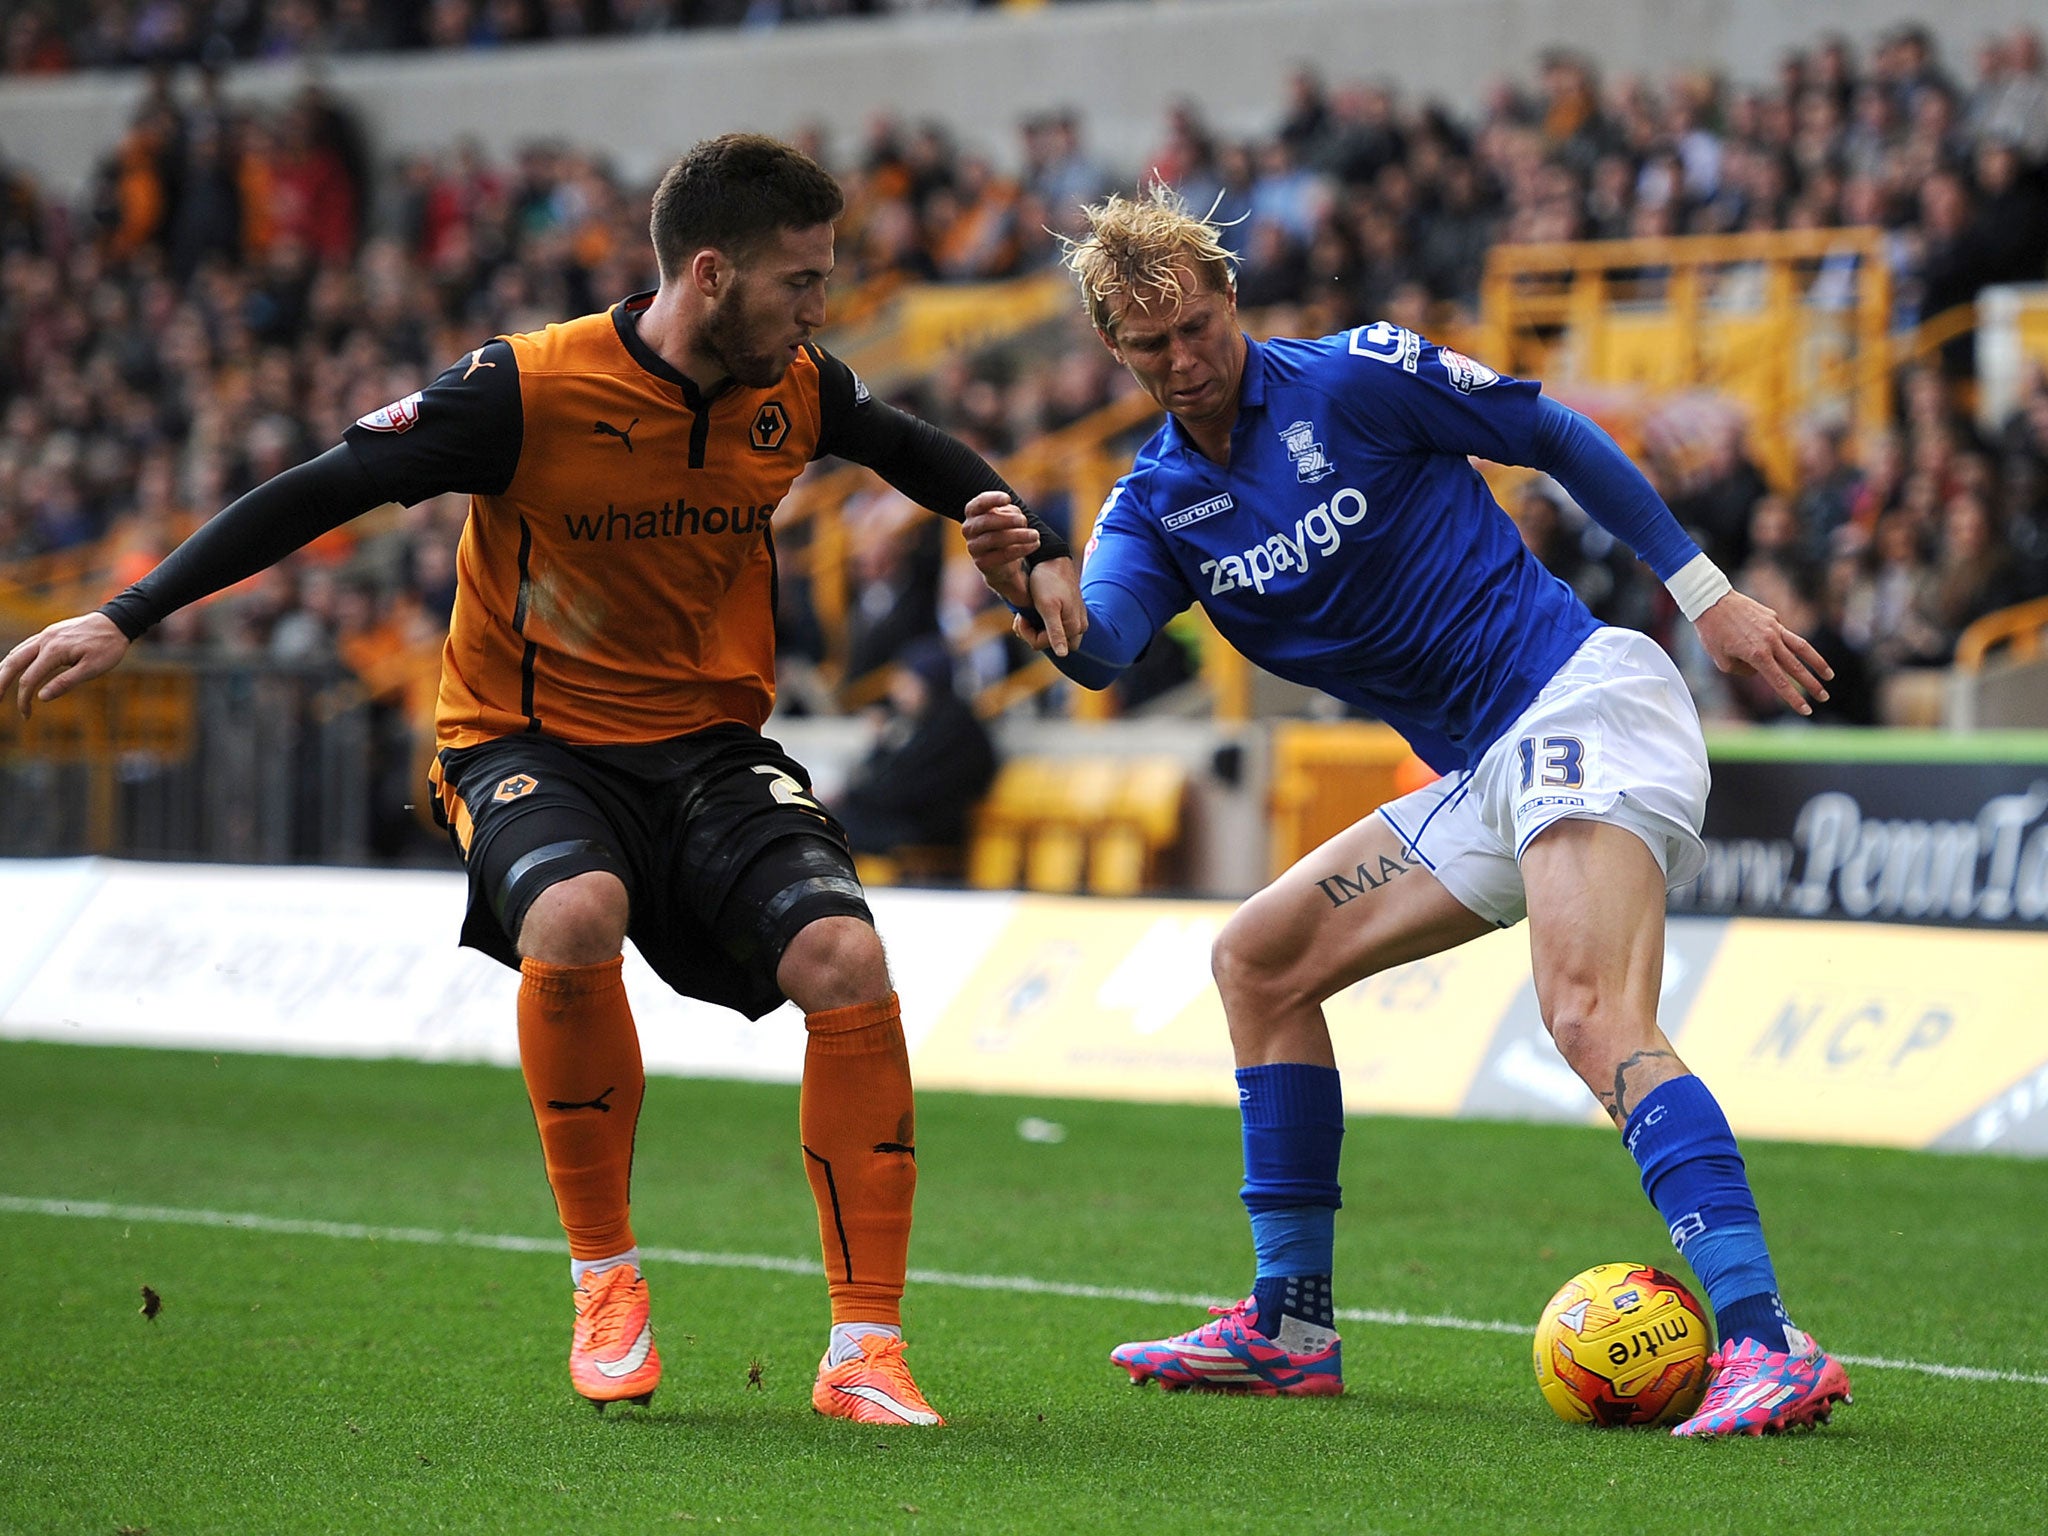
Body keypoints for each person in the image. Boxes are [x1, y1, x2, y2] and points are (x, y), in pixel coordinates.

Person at [1, 133, 1083, 1430]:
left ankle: (864, 1351)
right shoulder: (523, 388)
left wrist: (1036, 551)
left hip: (711, 748)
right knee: (575, 916)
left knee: (847, 961)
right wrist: (127, 615)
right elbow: (323, 489)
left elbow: (926, 456)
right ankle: (606, 1278)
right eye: (801, 279)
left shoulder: (795, 383)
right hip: (526, 742)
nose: (820, 307)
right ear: (709, 271)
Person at [965, 186, 1848, 1437]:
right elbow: (1100, 647)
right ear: (1115, 351)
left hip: (1578, 700)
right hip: (1484, 770)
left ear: (1231, 303)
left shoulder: (1355, 376)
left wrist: (1704, 592)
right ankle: (1290, 1325)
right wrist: (1030, 590)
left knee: (1588, 1012)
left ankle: (1764, 1343)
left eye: (1199, 324)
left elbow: (1546, 430)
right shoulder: (1156, 503)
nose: (1184, 358)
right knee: (1256, 960)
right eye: (1151, 345)